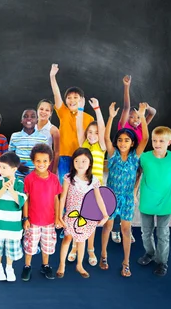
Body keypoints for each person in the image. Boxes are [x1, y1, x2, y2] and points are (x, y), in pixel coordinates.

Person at [100, 102, 149, 277]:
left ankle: (126, 262)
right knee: (107, 226)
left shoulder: (135, 157)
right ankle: (103, 255)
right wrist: (111, 117)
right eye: (120, 140)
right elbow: (106, 139)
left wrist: (142, 116)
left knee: (126, 230)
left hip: (127, 198)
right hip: (111, 196)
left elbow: (145, 139)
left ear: (132, 142)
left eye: (126, 140)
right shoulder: (112, 155)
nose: (122, 143)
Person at [112, 75, 157, 245]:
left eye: (138, 118)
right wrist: (126, 86)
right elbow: (125, 107)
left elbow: (153, 112)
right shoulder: (124, 127)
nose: (136, 120)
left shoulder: (141, 124)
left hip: (136, 166)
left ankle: (126, 229)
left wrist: (144, 110)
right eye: (133, 117)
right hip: (123, 164)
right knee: (118, 198)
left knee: (130, 199)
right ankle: (116, 230)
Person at [137, 126, 171, 277]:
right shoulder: (144, 157)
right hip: (147, 201)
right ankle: (150, 253)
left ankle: (161, 262)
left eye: (161, 141)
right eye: (154, 140)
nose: (157, 143)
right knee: (146, 231)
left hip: (166, 202)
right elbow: (138, 174)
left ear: (169, 142)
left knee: (163, 233)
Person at [56, 148, 109, 279]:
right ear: (73, 162)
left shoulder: (94, 180)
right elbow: (62, 198)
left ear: (90, 163)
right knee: (67, 238)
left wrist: (105, 214)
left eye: (84, 161)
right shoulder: (68, 178)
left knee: (81, 240)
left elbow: (99, 198)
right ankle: (61, 264)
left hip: (85, 217)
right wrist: (59, 215)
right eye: (77, 160)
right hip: (70, 215)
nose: (80, 164)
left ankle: (79, 265)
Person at [72, 97, 106, 267]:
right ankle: (74, 248)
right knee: (77, 218)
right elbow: (79, 127)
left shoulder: (101, 145)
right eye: (90, 132)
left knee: (91, 221)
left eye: (95, 132)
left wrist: (97, 109)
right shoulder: (83, 143)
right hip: (79, 188)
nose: (92, 135)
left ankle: (91, 249)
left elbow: (102, 126)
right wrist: (80, 109)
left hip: (95, 190)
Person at [21, 143, 62, 282]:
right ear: (33, 161)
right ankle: (27, 266)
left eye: (45, 161)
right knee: (30, 245)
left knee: (47, 245)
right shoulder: (29, 179)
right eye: (38, 161)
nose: (41, 164)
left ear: (50, 161)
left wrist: (57, 217)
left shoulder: (54, 179)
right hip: (33, 220)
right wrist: (25, 218)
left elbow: (56, 199)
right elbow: (26, 200)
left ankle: (45, 265)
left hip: (49, 221)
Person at [49, 64, 94, 184]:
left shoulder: (89, 118)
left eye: (76, 97)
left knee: (79, 185)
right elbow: (56, 94)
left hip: (80, 157)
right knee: (64, 185)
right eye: (69, 97)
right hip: (64, 156)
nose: (72, 100)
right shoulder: (63, 112)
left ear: (82, 100)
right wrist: (52, 76)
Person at [0, 151, 26, 282]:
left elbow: (20, 202)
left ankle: (9, 267)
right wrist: (3, 188)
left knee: (11, 249)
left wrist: (11, 190)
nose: (0, 170)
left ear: (14, 169)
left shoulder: (20, 184)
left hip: (13, 225)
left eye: (4, 167)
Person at [9, 109, 47, 178]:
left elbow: (45, 157)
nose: (29, 118)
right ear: (21, 120)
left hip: (36, 176)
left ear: (37, 121)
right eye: (25, 116)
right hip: (18, 176)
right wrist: (17, 165)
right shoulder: (15, 136)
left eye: (32, 117)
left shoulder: (43, 138)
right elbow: (10, 154)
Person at [35, 99, 60, 174]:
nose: (43, 112)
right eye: (41, 109)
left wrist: (54, 170)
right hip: (31, 163)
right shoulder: (30, 127)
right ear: (37, 110)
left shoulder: (53, 130)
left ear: (51, 113)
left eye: (47, 110)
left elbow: (57, 152)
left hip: (46, 164)